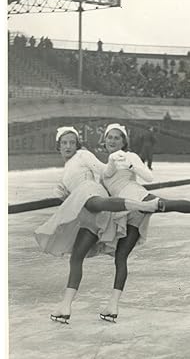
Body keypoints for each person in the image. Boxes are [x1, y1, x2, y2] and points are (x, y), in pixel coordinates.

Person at [99, 123, 190, 322]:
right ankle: (112, 306)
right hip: (124, 211)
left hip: (138, 199)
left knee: (169, 205)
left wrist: (130, 165)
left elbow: (148, 176)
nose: (112, 141)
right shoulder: (107, 162)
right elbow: (105, 179)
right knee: (120, 257)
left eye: (117, 138)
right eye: (109, 137)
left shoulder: (129, 155)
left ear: (124, 141)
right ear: (104, 140)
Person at [34, 127, 160, 324]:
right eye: (64, 143)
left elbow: (104, 171)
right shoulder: (64, 172)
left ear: (77, 145)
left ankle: (143, 204)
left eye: (72, 142)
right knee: (76, 257)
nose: (68, 146)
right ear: (58, 145)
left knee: (98, 209)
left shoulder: (83, 155)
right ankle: (65, 307)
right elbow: (70, 197)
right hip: (88, 212)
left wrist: (125, 164)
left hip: (93, 194)